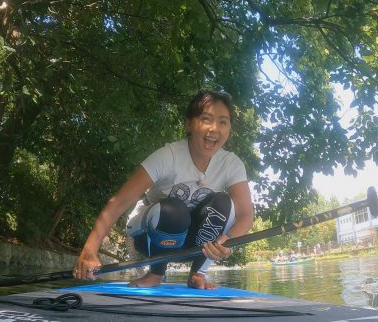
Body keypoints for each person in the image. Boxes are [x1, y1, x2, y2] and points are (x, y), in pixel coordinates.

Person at [73, 90, 254, 289]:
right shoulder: (167, 156)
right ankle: (155, 273)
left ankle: (197, 273)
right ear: (189, 123)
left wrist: (228, 241)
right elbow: (120, 202)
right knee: (173, 210)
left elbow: (245, 215)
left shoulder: (231, 163)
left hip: (191, 243)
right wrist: (90, 250)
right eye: (206, 119)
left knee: (224, 202)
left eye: (223, 122)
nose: (214, 129)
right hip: (148, 238)